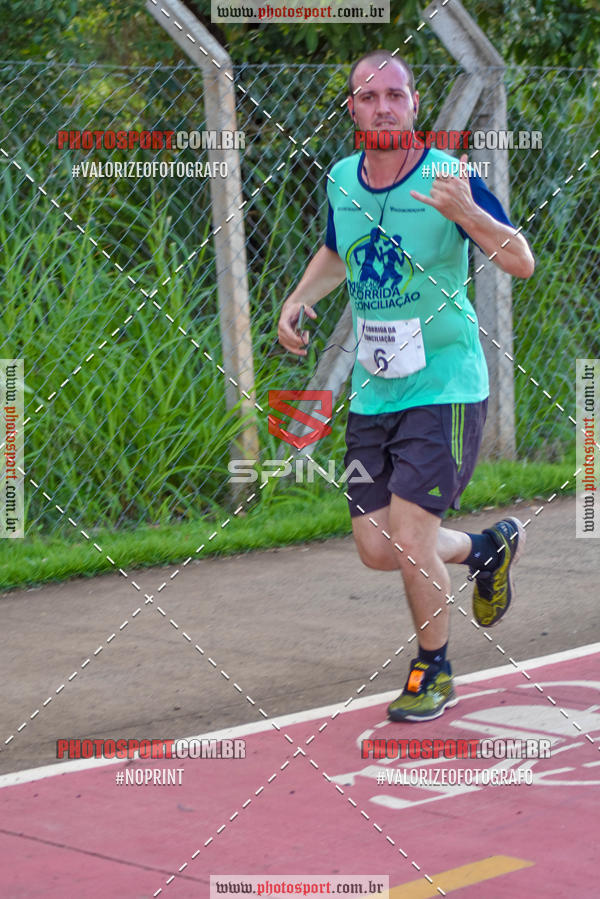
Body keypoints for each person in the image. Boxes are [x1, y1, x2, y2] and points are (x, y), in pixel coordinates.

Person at [277, 50, 535, 722]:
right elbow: (339, 249)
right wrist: (298, 299)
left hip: (445, 384)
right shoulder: (342, 179)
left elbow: (520, 259)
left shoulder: (450, 176)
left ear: (414, 105)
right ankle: (484, 549)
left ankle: (434, 669)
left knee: (412, 532)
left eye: (396, 94)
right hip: (375, 390)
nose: (384, 106)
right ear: (354, 111)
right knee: (375, 544)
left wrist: (467, 212)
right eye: (369, 96)